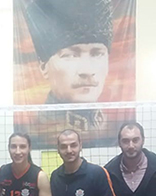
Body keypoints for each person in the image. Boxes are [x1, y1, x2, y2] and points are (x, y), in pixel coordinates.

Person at [24, 0, 113, 136]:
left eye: (97, 54)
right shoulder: (35, 131)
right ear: (43, 67)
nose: (87, 71)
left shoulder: (112, 127)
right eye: (70, 56)